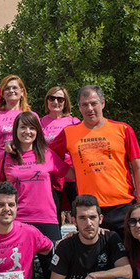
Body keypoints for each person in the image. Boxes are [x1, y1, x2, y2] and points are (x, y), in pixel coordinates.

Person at [50, 85, 140, 236]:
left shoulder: (123, 129)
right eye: (85, 105)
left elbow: (138, 166)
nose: (90, 108)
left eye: (94, 103)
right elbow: (49, 155)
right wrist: (72, 173)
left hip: (123, 207)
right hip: (89, 211)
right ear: (79, 107)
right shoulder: (69, 133)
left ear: (102, 103)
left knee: (128, 258)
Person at [3, 111, 70, 279]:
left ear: (38, 131)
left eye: (32, 128)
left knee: (53, 274)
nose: (27, 132)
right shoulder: (6, 156)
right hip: (18, 221)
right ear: (15, 131)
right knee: (20, 275)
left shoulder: (48, 154)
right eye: (23, 127)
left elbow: (72, 175)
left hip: (47, 219)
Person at [40, 85, 80, 223]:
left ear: (65, 102)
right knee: (53, 211)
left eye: (60, 99)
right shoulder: (40, 122)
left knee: (77, 210)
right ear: (47, 100)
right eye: (52, 98)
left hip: (70, 172)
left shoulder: (74, 122)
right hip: (51, 173)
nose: (56, 102)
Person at [0, 75, 32, 182]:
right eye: (7, 88)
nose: (11, 91)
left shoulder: (31, 115)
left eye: (14, 88)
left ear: (22, 92)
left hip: (25, 166)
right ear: (2, 94)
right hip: (1, 167)